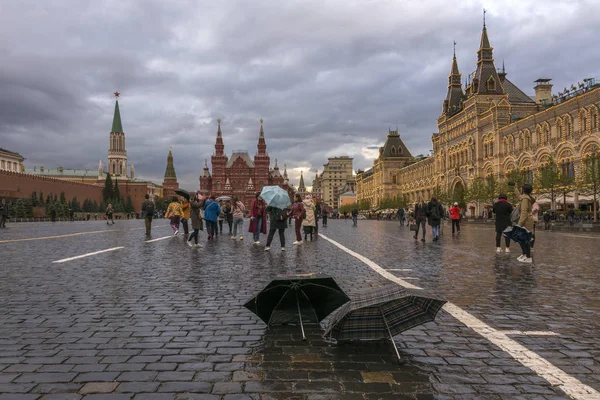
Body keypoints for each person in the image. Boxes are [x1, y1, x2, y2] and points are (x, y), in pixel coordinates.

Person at [517, 184, 535, 263]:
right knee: (522, 238)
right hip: (528, 219)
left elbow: (524, 212)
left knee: (525, 239)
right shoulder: (527, 197)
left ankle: (528, 257)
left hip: (526, 220)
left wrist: (519, 224)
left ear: (523, 190)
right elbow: (519, 197)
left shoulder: (525, 199)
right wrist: (515, 188)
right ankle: (525, 255)